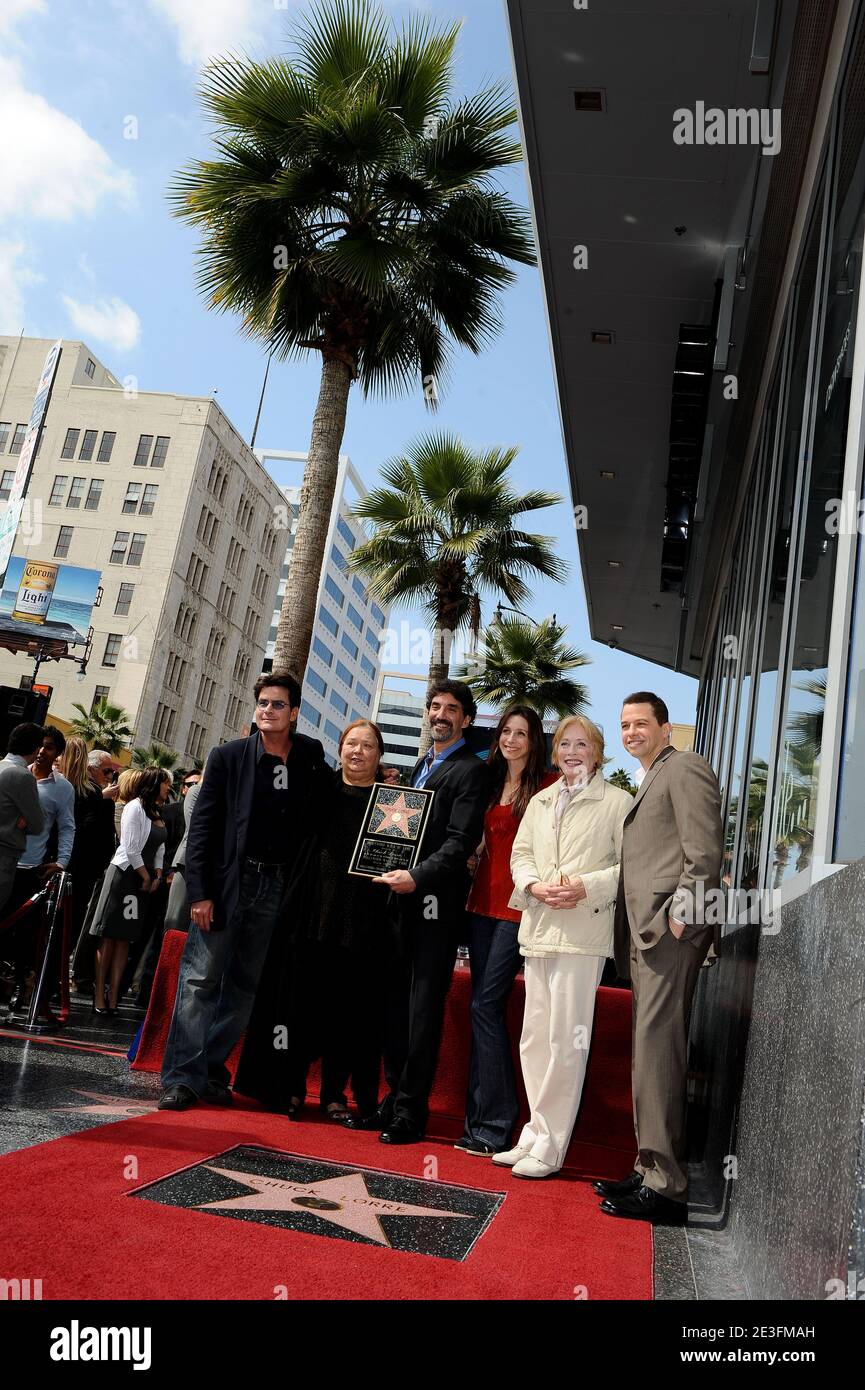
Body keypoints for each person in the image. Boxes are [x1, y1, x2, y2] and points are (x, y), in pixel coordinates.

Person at [158, 672, 326, 1111]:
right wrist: (200, 893)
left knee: (245, 987)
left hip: (277, 886)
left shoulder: (308, 757)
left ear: (293, 713)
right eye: (263, 703)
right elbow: (203, 832)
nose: (267, 710)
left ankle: (209, 1067)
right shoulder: (229, 757)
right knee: (200, 980)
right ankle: (181, 1078)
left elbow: (336, 800)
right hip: (230, 884)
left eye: (277, 704)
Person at [595, 692, 723, 1224]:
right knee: (650, 1053)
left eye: (641, 724)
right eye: (624, 725)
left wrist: (681, 917)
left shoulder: (685, 767)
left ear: (665, 727)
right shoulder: (650, 778)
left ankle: (667, 1190)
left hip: (670, 937)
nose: (630, 733)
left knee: (659, 1053)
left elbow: (707, 851)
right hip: (647, 938)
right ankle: (650, 1168)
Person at [236, 719, 395, 1124]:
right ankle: (289, 1087)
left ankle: (333, 1095)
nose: (358, 752)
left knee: (347, 1014)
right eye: (351, 744)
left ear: (380, 757)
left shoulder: (392, 805)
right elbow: (300, 747)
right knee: (298, 1009)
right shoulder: (318, 788)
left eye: (368, 746)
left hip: (362, 923)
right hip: (309, 916)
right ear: (340, 749)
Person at [499, 715, 632, 1178]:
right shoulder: (540, 800)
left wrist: (585, 886)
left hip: (582, 934)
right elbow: (521, 854)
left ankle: (552, 1147)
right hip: (538, 928)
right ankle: (534, 1133)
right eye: (565, 744)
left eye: (583, 744)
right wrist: (533, 886)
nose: (573, 751)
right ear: (555, 753)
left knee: (566, 1041)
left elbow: (632, 868)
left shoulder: (619, 802)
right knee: (534, 1037)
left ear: (597, 751)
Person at [369, 679, 489, 1144]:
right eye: (435, 706)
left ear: (467, 719)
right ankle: (393, 1096)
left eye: (451, 709)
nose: (440, 714)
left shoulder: (470, 771)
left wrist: (417, 876)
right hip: (398, 901)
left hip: (435, 907)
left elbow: (460, 843)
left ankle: (411, 1111)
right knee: (394, 1004)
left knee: (422, 1007)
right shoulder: (421, 766)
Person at [455, 706, 558, 1157]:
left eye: (522, 733)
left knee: (485, 1004)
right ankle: (478, 1123)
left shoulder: (548, 787)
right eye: (506, 732)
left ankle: (497, 1123)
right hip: (480, 905)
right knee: (483, 1009)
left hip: (518, 910)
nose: (512, 740)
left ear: (535, 741)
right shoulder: (489, 782)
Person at [4, 725, 76, 1017]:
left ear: (58, 753)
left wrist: (61, 862)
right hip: (4, 862)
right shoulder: (14, 772)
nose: (43, 752)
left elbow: (67, 826)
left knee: (26, 935)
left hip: (31, 869)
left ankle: (22, 984)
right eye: (41, 746)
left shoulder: (63, 788)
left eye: (50, 747)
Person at [88, 768, 171, 1015]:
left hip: (142, 881)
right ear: (155, 784)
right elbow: (131, 847)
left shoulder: (157, 811)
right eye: (166, 783)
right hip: (124, 876)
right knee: (109, 935)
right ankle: (98, 995)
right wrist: (147, 876)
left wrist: (156, 874)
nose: (169, 788)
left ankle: (113, 995)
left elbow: (160, 847)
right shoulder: (134, 807)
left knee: (125, 937)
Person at [58, 741, 119, 996]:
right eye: (107, 772)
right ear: (91, 769)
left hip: (82, 871)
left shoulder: (92, 794)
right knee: (65, 926)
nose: (110, 778)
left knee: (69, 927)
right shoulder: (88, 794)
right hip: (72, 868)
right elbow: (89, 832)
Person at [0, 723, 44, 920]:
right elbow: (37, 824)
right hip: (4, 857)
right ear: (35, 749)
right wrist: (23, 818)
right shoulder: (23, 776)